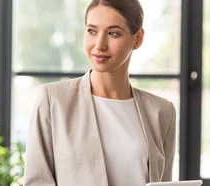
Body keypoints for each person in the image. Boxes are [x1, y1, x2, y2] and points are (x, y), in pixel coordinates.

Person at [24, 0, 176, 185]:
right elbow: (37, 181)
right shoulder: (53, 100)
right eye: (92, 31)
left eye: (113, 33)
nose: (100, 45)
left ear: (138, 38)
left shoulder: (161, 111)